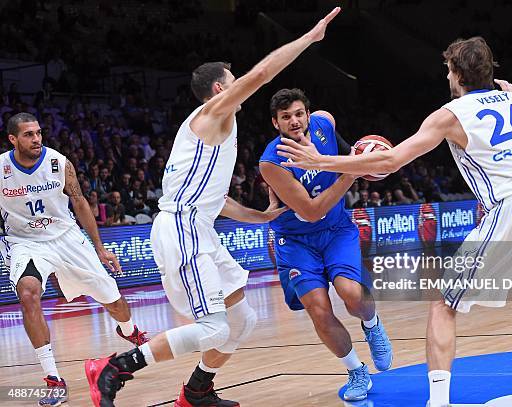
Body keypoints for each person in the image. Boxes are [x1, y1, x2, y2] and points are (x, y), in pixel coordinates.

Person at [276, 36, 512, 407]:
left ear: (455, 74)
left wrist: (320, 161)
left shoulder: (451, 114)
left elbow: (390, 162)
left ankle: (438, 402)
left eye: (448, 70)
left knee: (443, 304)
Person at [85, 7, 341, 407]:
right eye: (233, 78)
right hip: (181, 231)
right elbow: (262, 75)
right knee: (215, 329)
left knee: (243, 320)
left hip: (199, 227)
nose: (240, 82)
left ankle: (197, 391)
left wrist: (258, 217)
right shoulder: (213, 113)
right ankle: (115, 367)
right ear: (221, 90)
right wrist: (309, 38)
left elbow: (216, 199)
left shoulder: (219, 128)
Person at [0, 113, 149, 407]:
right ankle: (53, 379)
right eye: (29, 135)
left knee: (115, 301)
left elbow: (79, 201)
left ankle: (129, 331)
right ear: (13, 139)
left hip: (67, 236)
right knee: (28, 295)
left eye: (39, 133)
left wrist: (99, 247)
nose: (37, 139)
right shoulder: (0, 168)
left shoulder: (58, 162)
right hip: (25, 242)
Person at [259, 88, 393, 401]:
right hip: (296, 240)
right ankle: (356, 370)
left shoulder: (325, 123)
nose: (294, 121)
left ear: (308, 113)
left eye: (298, 114)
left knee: (351, 294)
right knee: (319, 311)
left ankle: (372, 325)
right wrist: (351, 172)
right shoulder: (272, 162)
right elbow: (310, 210)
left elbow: (351, 156)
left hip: (335, 230)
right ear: (275, 124)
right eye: (286, 117)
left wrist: (367, 163)